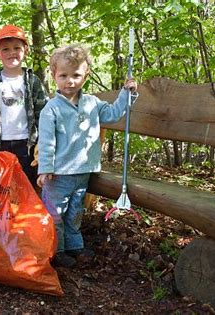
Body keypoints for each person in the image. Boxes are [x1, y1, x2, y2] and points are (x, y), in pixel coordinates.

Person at [37, 44, 137, 268]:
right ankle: (57, 249)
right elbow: (46, 141)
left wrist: (126, 93)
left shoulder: (92, 103)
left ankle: (75, 245)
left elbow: (113, 115)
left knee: (75, 211)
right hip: (58, 175)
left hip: (83, 172)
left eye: (76, 75)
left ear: (86, 76)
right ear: (54, 76)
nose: (69, 81)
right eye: (63, 75)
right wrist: (45, 168)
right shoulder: (51, 109)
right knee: (55, 214)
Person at [0, 25, 48, 187]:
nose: (12, 53)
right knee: (2, 185)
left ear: (26, 50)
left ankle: (24, 212)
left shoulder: (32, 81)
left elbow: (43, 114)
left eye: (17, 48)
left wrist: (42, 141)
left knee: (25, 184)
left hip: (27, 144)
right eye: (6, 49)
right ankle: (5, 213)